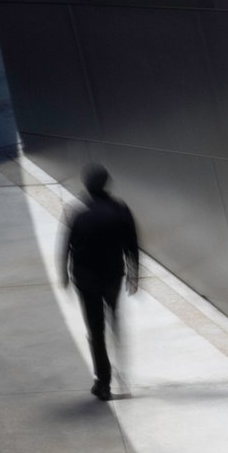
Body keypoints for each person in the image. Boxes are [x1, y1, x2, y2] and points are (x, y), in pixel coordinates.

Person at [59, 163, 139, 401]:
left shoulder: (78, 212)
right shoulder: (120, 210)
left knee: (95, 329)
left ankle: (103, 382)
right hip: (113, 274)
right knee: (114, 319)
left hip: (86, 277)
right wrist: (135, 275)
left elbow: (67, 245)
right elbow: (132, 245)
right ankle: (122, 375)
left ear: (86, 185)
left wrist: (63, 273)